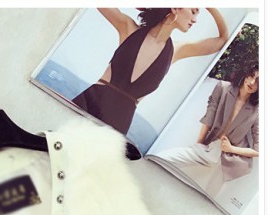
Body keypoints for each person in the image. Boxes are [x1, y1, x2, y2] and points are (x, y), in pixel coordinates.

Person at [72, 8, 228, 134]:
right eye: (193, 12)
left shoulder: (176, 51)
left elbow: (222, 40)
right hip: (88, 104)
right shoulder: (129, 29)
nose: (195, 20)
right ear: (175, 8)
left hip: (117, 125)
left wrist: (211, 7)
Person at [156, 66, 259, 192]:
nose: (252, 82)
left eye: (258, 81)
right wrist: (199, 144)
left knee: (207, 195)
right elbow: (209, 116)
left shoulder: (257, 111)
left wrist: (231, 149)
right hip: (209, 146)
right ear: (245, 74)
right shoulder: (223, 88)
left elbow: (259, 150)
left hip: (229, 160)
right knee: (161, 158)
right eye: (251, 76)